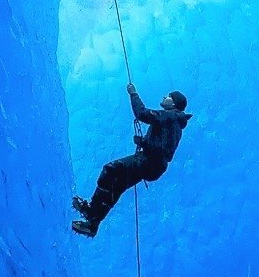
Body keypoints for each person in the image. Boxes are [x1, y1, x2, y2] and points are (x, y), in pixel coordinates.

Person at [72, 85, 191, 237]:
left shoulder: (169, 116)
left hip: (147, 162)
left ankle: (91, 210)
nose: (163, 97)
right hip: (154, 167)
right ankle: (92, 224)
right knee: (118, 185)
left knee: (110, 169)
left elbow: (142, 114)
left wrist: (133, 94)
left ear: (173, 104)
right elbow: (163, 147)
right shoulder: (176, 124)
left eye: (168, 96)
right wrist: (144, 143)